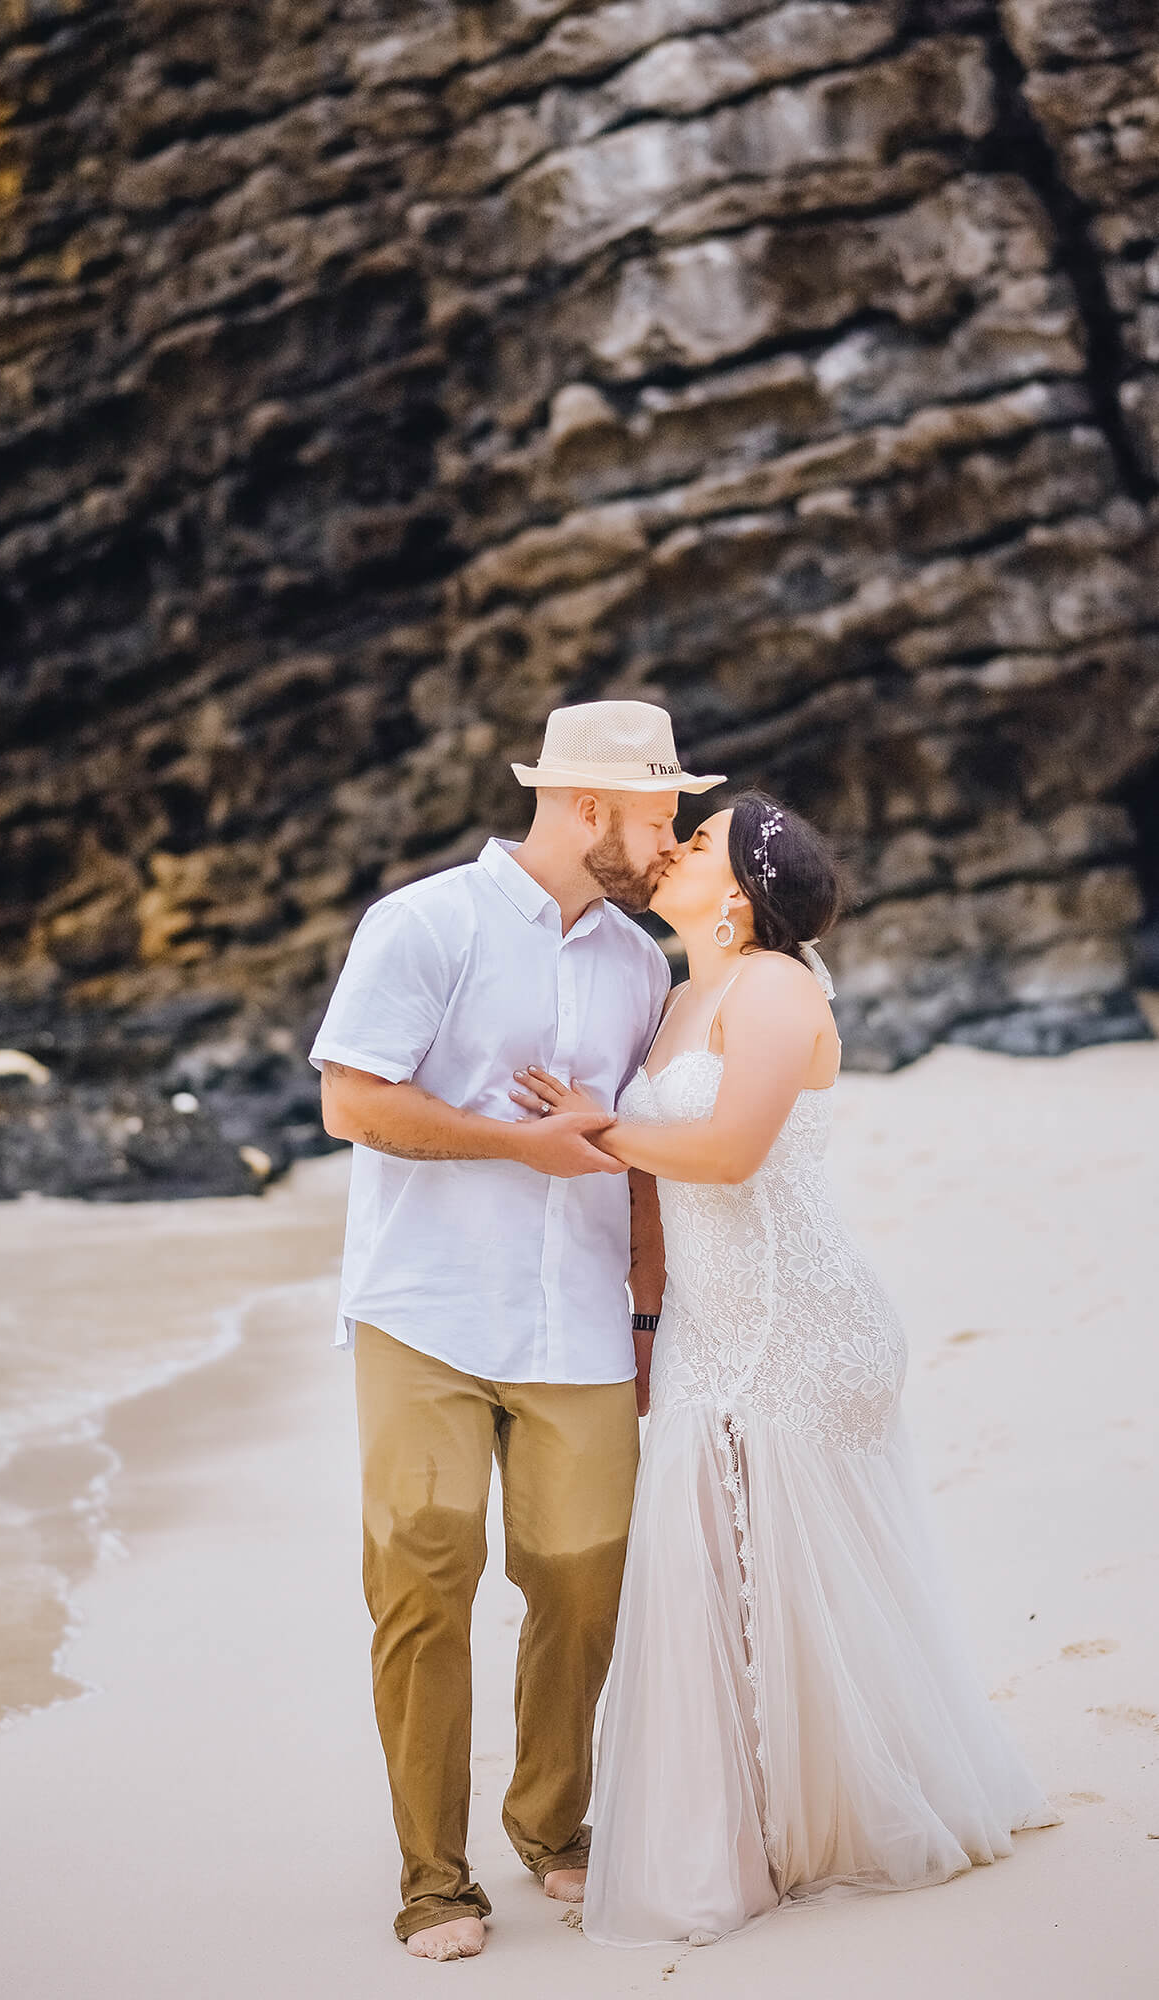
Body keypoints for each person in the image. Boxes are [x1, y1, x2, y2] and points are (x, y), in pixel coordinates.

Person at [511, 792, 1059, 1948]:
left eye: (697, 841)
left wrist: (591, 1126)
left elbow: (722, 1151)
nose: (670, 848)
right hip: (716, 1328)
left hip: (802, 1326)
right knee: (723, 1578)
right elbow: (662, 1189)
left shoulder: (774, 985)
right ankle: (756, 1826)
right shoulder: (673, 1000)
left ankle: (808, 1822)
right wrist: (647, 1316)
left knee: (776, 1582)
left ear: (747, 885)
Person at [309, 700, 723, 1961]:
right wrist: (517, 1142)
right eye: (655, 812)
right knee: (423, 1583)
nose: (669, 838)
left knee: (584, 1584)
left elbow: (639, 1157)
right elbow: (350, 1102)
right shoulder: (422, 921)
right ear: (586, 805)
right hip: (425, 1310)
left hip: (586, 1320)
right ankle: (433, 1876)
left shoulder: (640, 962)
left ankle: (552, 1824)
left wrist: (648, 1311)